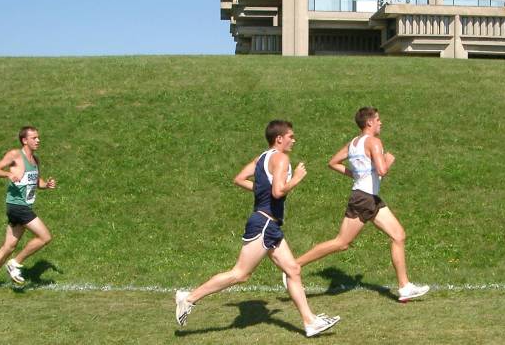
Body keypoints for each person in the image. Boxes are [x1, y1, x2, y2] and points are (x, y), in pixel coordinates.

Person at [175, 120, 340, 337]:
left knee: (293, 270)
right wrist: (297, 179)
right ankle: (188, 299)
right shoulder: (281, 158)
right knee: (240, 273)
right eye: (291, 136)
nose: (294, 140)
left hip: (269, 225)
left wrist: (263, 189)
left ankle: (310, 322)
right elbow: (279, 192)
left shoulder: (261, 157)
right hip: (264, 224)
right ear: (279, 138)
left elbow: (239, 179)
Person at [292, 107, 429, 301]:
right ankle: (294, 265)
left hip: (367, 197)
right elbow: (381, 171)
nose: (381, 123)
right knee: (341, 243)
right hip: (365, 198)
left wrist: (354, 175)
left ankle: (404, 286)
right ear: (369, 123)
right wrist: (388, 160)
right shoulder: (374, 142)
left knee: (398, 235)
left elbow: (333, 163)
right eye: (378, 120)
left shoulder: (354, 143)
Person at [0, 126, 56, 295]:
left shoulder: (35, 160)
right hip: (17, 206)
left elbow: (36, 182)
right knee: (45, 237)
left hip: (23, 206)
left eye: (38, 137)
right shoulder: (15, 155)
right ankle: (15, 263)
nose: (38, 140)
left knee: (9, 246)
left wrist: (46, 185)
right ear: (24, 140)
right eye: (34, 138)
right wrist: (8, 175)